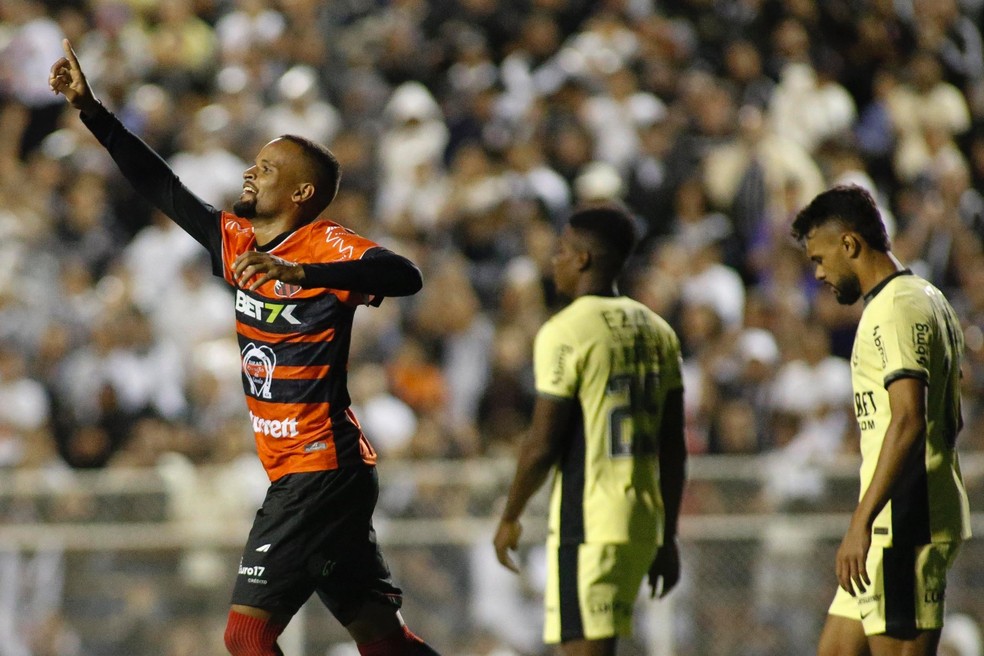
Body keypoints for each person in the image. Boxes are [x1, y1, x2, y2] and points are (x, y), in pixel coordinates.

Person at [49, 40, 441, 656]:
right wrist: (92, 111)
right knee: (378, 635)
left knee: (246, 634)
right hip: (314, 472)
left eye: (265, 168)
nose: (249, 173)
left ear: (301, 194)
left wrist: (304, 277)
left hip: (319, 469)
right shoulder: (235, 243)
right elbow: (161, 185)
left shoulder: (325, 245)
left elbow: (405, 276)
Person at [493, 205, 687, 656]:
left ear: (581, 259)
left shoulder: (565, 330)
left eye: (560, 251)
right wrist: (668, 535)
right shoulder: (658, 330)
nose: (554, 261)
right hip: (642, 520)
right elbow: (674, 448)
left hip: (591, 522)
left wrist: (510, 515)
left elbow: (542, 443)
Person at [790, 185, 972, 656]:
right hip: (897, 520)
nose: (819, 274)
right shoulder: (927, 297)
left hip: (904, 519)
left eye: (820, 259)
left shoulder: (894, 308)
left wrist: (861, 521)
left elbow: (909, 418)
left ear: (850, 244)